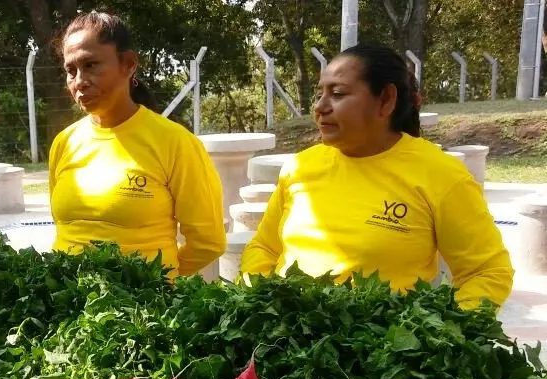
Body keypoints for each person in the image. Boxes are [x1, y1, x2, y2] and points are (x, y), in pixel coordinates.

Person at [241, 44, 513, 309]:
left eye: (337, 93)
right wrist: (263, 303)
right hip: (287, 343)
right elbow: (264, 248)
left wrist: (441, 337)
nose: (321, 107)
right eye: (320, 94)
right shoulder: (300, 167)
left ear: (386, 99)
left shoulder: (440, 175)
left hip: (380, 348)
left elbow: (487, 272)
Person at [49, 11, 226, 278]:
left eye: (91, 65)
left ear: (128, 63)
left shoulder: (174, 142)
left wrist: (153, 282)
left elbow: (208, 241)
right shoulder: (64, 143)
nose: (79, 82)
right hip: (66, 305)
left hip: (140, 312)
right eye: (70, 70)